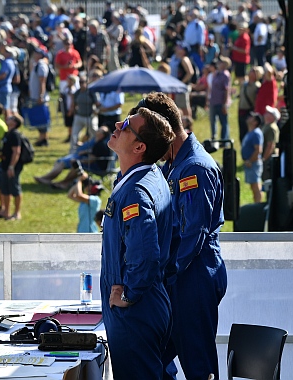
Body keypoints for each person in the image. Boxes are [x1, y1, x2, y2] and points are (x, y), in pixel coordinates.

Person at [132, 92, 227, 380]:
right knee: (152, 359)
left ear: (166, 133)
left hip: (192, 279)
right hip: (177, 279)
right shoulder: (174, 164)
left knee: (199, 368)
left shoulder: (194, 168)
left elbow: (191, 236)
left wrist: (161, 274)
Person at [101, 107, 175, 380]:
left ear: (139, 147)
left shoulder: (135, 193)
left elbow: (144, 256)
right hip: (148, 305)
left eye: (128, 126)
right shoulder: (147, 177)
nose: (118, 124)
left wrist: (129, 295)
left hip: (135, 311)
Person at [34, 126, 112, 189]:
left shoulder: (100, 145)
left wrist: (79, 162)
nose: (97, 131)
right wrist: (85, 152)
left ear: (102, 135)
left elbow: (91, 159)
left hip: (97, 167)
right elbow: (94, 153)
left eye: (99, 131)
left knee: (75, 166)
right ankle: (50, 179)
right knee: (64, 162)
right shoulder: (97, 142)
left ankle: (62, 182)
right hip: (93, 163)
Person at [0, 114, 25, 221]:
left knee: (15, 188)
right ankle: (6, 212)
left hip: (13, 167)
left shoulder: (15, 135)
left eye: (11, 118)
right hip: (4, 165)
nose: (8, 118)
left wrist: (11, 167)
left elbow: (16, 151)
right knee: (5, 189)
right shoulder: (7, 133)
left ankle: (17, 212)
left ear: (15, 123)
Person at [242, 112, 264, 203]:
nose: (249, 118)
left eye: (252, 118)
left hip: (253, 163)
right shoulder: (251, 132)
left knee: (256, 186)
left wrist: (250, 160)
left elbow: (258, 150)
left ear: (255, 122)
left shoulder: (256, 133)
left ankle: (258, 204)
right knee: (253, 186)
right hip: (250, 163)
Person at [207, 56, 231, 141]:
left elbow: (226, 90)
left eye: (220, 62)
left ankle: (224, 139)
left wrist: (224, 104)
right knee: (213, 120)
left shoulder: (225, 75)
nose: (218, 63)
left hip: (221, 102)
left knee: (223, 122)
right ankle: (214, 137)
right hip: (214, 101)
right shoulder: (216, 74)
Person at [261, 105, 281, 181]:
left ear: (272, 117)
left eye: (268, 113)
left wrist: (264, 159)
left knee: (267, 179)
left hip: (269, 157)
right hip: (266, 156)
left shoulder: (271, 128)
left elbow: (270, 145)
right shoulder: (266, 126)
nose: (265, 114)